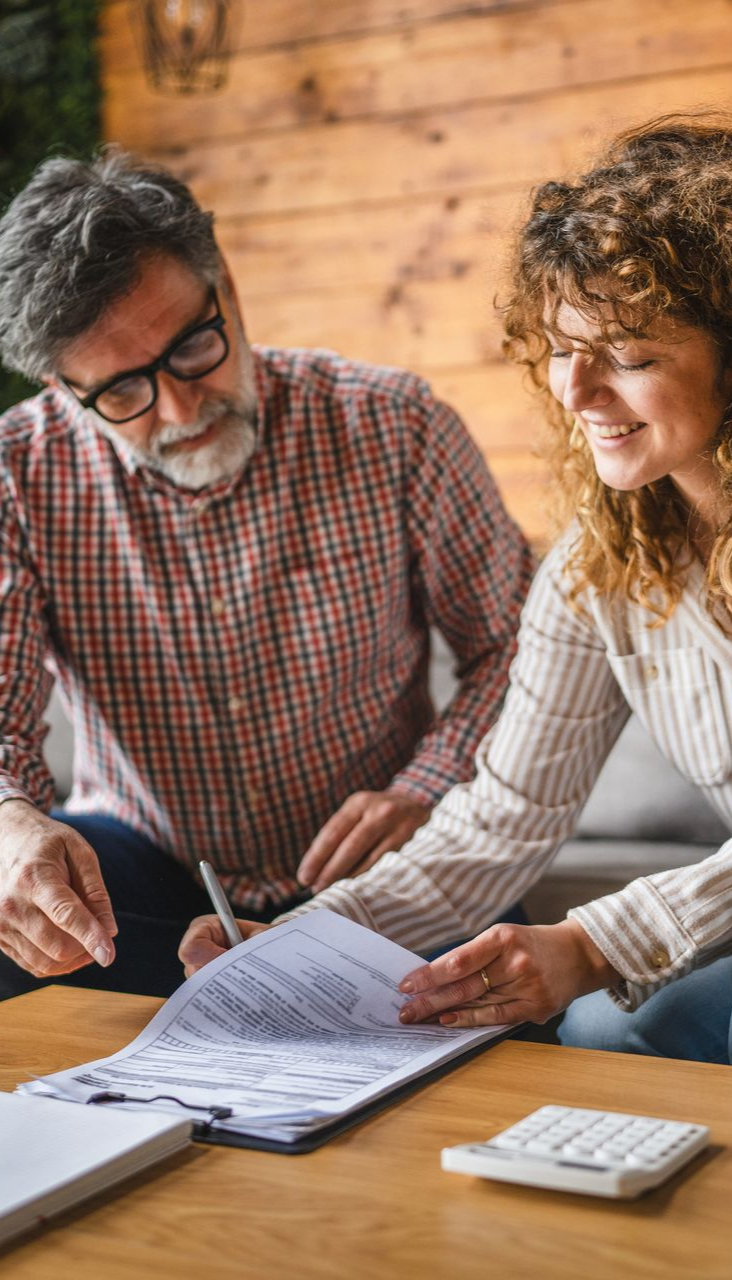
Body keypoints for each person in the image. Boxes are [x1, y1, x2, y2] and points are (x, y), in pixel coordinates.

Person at [181, 113, 732, 1066]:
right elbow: (504, 815)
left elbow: (602, 951)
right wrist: (306, 936)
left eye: (630, 357)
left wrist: (595, 944)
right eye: (562, 347)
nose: (577, 392)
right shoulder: (596, 566)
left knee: (608, 1023)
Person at [0, 150, 533, 999]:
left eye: (193, 349)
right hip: (150, 875)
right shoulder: (16, 476)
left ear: (230, 292)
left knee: (476, 1005)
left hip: (385, 858)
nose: (180, 409)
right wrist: (10, 824)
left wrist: (426, 790)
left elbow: (516, 647)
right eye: (124, 392)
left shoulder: (395, 425)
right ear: (63, 388)